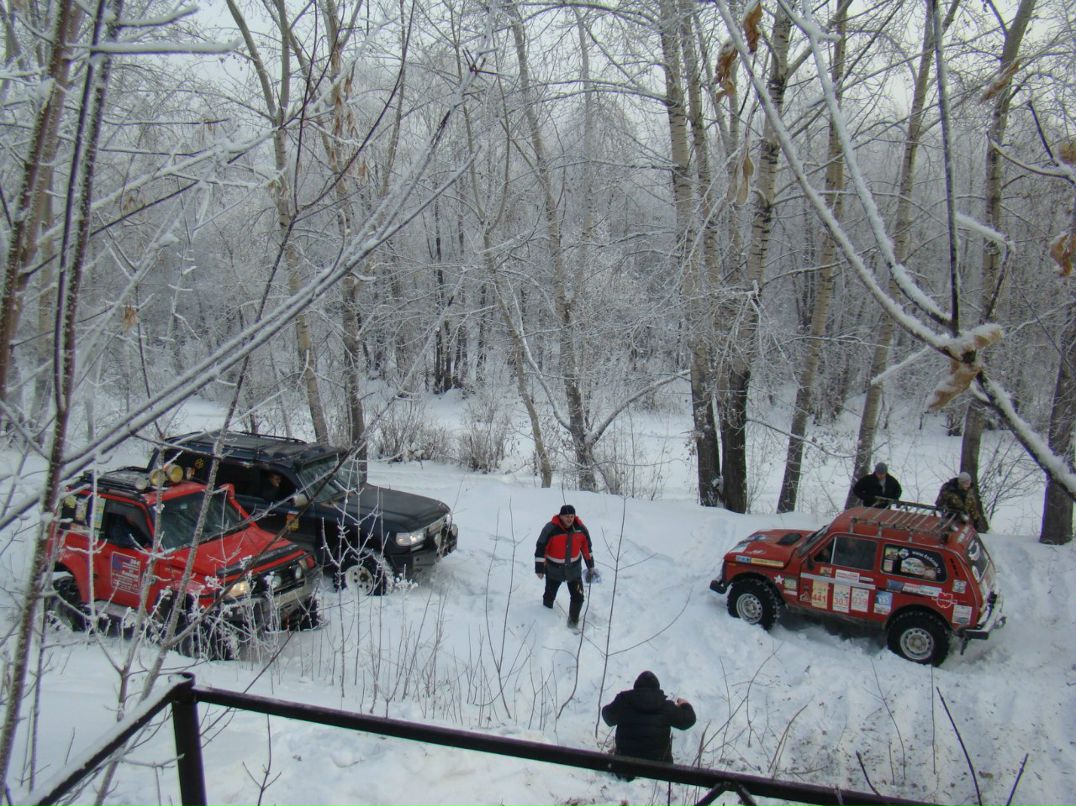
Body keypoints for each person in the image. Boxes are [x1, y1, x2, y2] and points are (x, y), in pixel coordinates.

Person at [601, 671, 696, 765]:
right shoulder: (666, 706)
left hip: (626, 768)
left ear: (636, 687)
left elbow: (608, 718)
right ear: (657, 688)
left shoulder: (624, 701)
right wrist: (684, 704)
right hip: (659, 770)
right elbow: (689, 720)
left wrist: (617, 703)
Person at [535, 504, 596, 627]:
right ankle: (545, 621)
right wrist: (540, 568)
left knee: (578, 597)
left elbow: (587, 548)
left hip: (574, 571)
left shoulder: (581, 529)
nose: (569, 519)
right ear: (561, 516)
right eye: (567, 516)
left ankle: (573, 622)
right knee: (549, 596)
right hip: (553, 571)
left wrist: (590, 565)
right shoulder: (550, 529)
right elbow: (541, 548)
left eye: (572, 516)